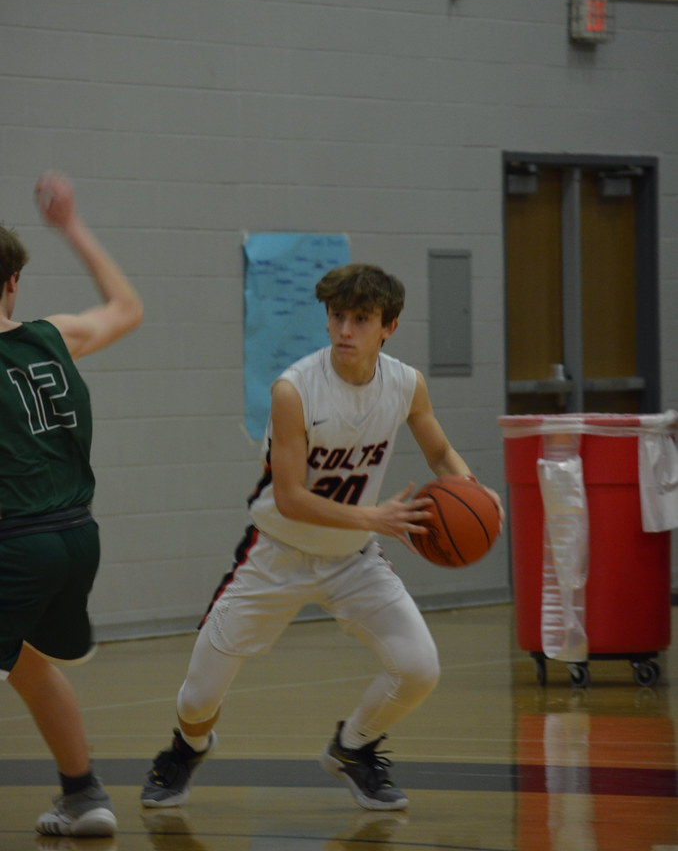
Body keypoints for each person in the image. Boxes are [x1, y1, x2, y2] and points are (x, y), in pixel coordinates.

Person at [141, 263, 501, 813]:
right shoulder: (295, 390)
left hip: (353, 558)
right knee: (197, 697)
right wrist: (374, 518)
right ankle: (187, 748)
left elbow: (439, 453)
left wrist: (476, 489)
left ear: (390, 327)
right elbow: (289, 497)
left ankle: (352, 747)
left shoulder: (406, 384)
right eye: (337, 317)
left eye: (361, 319)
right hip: (275, 556)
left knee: (420, 668)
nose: (345, 331)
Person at [0, 173, 143, 837]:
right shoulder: (54, 336)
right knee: (29, 661)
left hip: (16, 541)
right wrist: (72, 226)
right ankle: (84, 795)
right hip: (77, 538)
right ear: (13, 283)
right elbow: (126, 306)